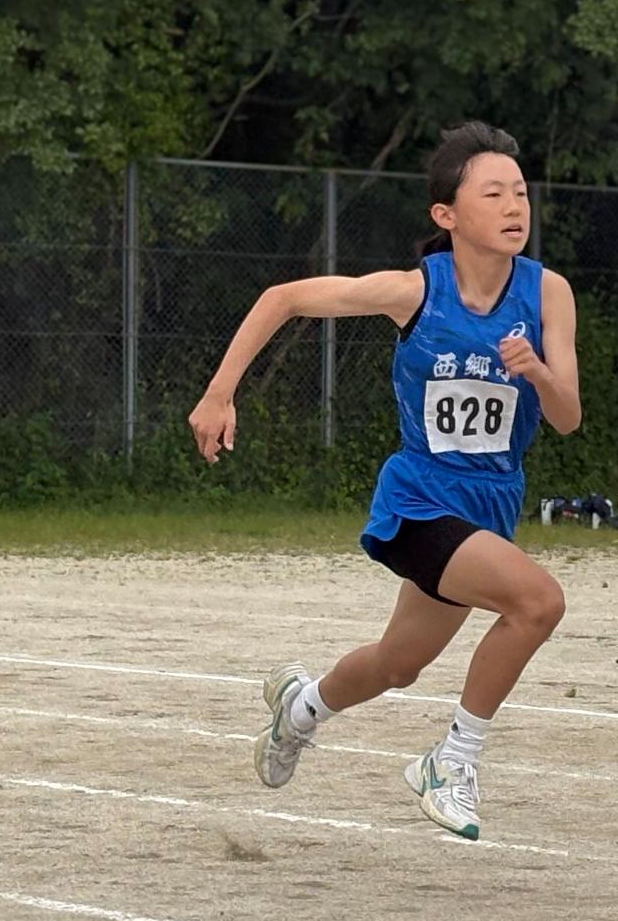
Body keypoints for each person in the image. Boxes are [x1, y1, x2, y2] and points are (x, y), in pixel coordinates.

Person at [191, 122, 579, 841]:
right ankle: (452, 760)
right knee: (538, 603)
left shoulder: (548, 293)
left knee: (398, 663)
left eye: (520, 192)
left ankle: (301, 708)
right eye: (493, 193)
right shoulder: (413, 292)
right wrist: (220, 393)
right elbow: (283, 297)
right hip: (420, 501)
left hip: (490, 503)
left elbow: (566, 416)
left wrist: (538, 373)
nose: (514, 206)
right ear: (447, 215)